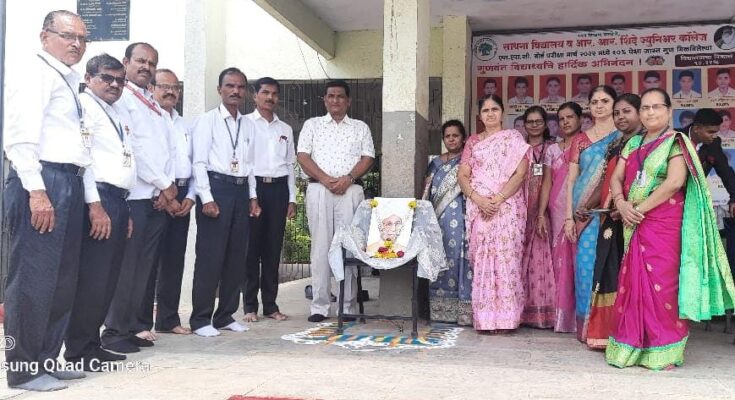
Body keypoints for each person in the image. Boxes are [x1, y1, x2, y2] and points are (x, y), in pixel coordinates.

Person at [606, 88, 735, 370]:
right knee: (633, 283)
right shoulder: (632, 144)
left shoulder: (675, 142)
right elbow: (616, 177)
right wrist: (621, 202)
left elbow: (674, 182)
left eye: (656, 107)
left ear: (668, 111)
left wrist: (638, 209)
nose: (650, 112)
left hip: (661, 223)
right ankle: (633, 345)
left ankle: (663, 349)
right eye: (646, 108)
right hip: (633, 220)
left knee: (662, 284)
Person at [3, 9, 91, 391]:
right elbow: (21, 136)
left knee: (61, 280)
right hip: (41, 181)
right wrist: (37, 192)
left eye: (82, 38)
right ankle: (22, 369)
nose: (76, 44)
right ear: (45, 36)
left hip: (68, 180)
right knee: (33, 281)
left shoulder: (68, 80)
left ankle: (45, 359)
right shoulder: (34, 72)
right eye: (68, 36)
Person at [102, 42, 176, 353]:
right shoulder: (124, 100)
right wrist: (163, 183)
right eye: (140, 61)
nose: (146, 67)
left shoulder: (151, 102)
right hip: (134, 197)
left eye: (151, 63)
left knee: (143, 270)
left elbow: (166, 149)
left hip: (154, 198)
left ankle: (131, 325)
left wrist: (163, 188)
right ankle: (114, 332)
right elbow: (135, 150)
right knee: (126, 268)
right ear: (126, 62)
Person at [64, 54, 135, 372]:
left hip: (119, 200)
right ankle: (78, 349)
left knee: (108, 279)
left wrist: (126, 208)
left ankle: (93, 343)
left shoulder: (115, 111)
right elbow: (85, 159)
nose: (115, 84)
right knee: (93, 278)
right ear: (89, 77)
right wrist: (96, 206)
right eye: (107, 78)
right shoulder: (84, 106)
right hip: (99, 199)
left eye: (121, 80)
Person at [297, 80, 375, 322]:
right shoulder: (312, 125)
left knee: (350, 247)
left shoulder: (360, 127)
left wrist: (348, 178)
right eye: (330, 96)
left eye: (340, 96)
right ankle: (320, 306)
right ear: (324, 99)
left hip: (349, 191)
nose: (335, 100)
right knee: (320, 247)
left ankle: (349, 305)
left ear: (348, 101)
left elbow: (368, 156)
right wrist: (325, 179)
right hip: (319, 190)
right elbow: (302, 155)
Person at [190, 67, 260, 336]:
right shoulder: (207, 121)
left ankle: (226, 315)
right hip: (216, 188)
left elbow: (251, 164)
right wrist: (206, 198)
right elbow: (198, 162)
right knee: (210, 257)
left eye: (240, 87)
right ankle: (200, 319)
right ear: (219, 90)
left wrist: (253, 197)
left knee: (236, 257)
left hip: (241, 191)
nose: (235, 91)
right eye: (230, 86)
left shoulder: (248, 124)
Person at [458, 94, 529, 331]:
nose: (490, 113)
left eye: (494, 109)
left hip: (507, 207)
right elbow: (463, 175)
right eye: (485, 110)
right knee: (483, 260)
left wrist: (497, 199)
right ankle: (486, 319)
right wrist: (479, 200)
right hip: (479, 208)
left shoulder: (513, 139)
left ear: (503, 112)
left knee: (507, 259)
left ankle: (507, 319)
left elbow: (520, 173)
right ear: (479, 115)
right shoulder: (473, 142)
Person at [138, 68, 195, 335]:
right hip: (157, 197)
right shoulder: (149, 119)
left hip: (182, 197)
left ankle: (169, 319)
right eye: (164, 86)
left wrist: (191, 197)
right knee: (148, 263)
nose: (170, 91)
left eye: (175, 87)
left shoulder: (185, 125)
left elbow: (196, 164)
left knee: (174, 261)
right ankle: (140, 322)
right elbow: (147, 158)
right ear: (152, 88)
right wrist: (165, 193)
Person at [585, 93, 643, 349]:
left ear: (641, 113)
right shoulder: (614, 145)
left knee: (631, 276)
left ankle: (630, 334)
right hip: (610, 217)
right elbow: (604, 182)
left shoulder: (647, 143)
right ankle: (606, 334)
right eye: (617, 113)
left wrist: (628, 207)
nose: (620, 117)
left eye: (626, 111)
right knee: (607, 272)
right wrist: (587, 206)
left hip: (636, 218)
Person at [564, 85, 620, 341]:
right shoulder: (581, 139)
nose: (599, 105)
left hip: (611, 213)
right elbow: (571, 181)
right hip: (583, 215)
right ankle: (586, 328)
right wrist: (568, 216)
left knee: (610, 270)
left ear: (614, 104)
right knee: (585, 268)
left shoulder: (623, 137)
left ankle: (608, 328)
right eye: (594, 101)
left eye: (604, 101)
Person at [243, 77, 296, 323]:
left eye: (274, 93)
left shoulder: (284, 129)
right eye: (265, 92)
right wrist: (252, 196)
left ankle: (271, 305)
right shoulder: (245, 124)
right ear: (255, 96)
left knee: (273, 250)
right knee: (251, 249)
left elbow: (290, 165)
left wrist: (292, 198)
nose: (270, 98)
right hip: (255, 189)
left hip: (278, 191)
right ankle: (249, 307)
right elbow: (247, 164)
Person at [537, 102, 583, 333]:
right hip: (556, 211)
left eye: (570, 117)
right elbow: (547, 183)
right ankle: (562, 317)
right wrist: (540, 214)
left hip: (580, 209)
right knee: (559, 261)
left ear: (580, 119)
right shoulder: (552, 150)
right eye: (562, 118)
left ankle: (580, 317)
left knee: (579, 260)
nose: (565, 122)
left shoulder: (586, 144)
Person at [422, 120, 472, 325]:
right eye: (447, 136)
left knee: (462, 260)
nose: (451, 139)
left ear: (463, 138)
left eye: (455, 135)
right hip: (438, 223)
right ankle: (441, 310)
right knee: (441, 260)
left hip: (463, 219)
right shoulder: (435, 164)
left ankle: (464, 311)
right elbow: (426, 193)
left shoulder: (468, 161)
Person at [520, 106, 555, 328]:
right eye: (530, 121)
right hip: (521, 209)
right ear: (524, 125)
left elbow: (551, 181)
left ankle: (543, 312)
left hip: (544, 209)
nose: (534, 125)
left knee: (542, 259)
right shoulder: (518, 149)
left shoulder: (552, 149)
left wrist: (541, 212)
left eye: (538, 121)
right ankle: (521, 311)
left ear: (545, 124)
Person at [686, 109, 735, 217]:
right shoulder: (676, 138)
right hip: (670, 198)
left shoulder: (714, 144)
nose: (714, 136)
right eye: (710, 132)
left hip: (694, 199)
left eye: (716, 132)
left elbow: (726, 171)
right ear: (696, 129)